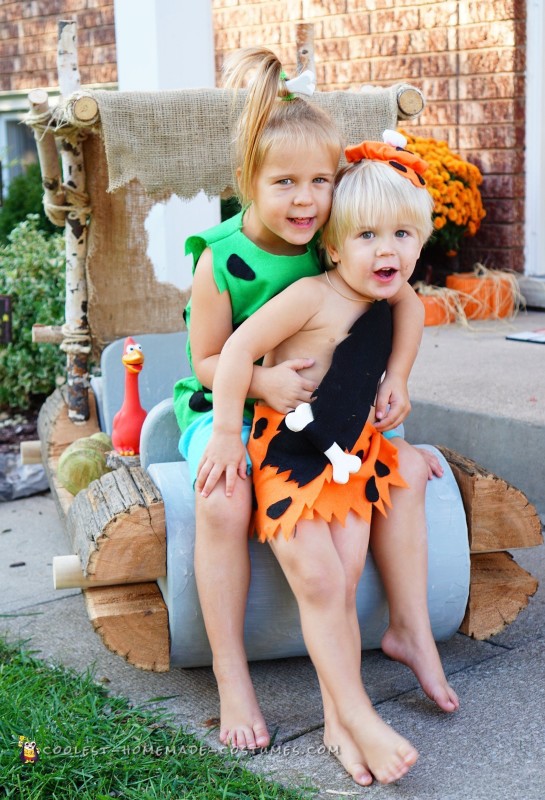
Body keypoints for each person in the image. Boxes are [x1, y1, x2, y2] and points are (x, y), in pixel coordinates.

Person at [173, 47, 457, 776]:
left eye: (320, 182)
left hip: (326, 422)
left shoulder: (339, 242)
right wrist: (252, 403)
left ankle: (360, 687)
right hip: (228, 406)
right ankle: (232, 677)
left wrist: (396, 385)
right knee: (222, 497)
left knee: (393, 478)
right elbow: (211, 363)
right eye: (284, 184)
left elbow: (394, 309)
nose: (304, 200)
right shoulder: (225, 259)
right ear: (248, 184)